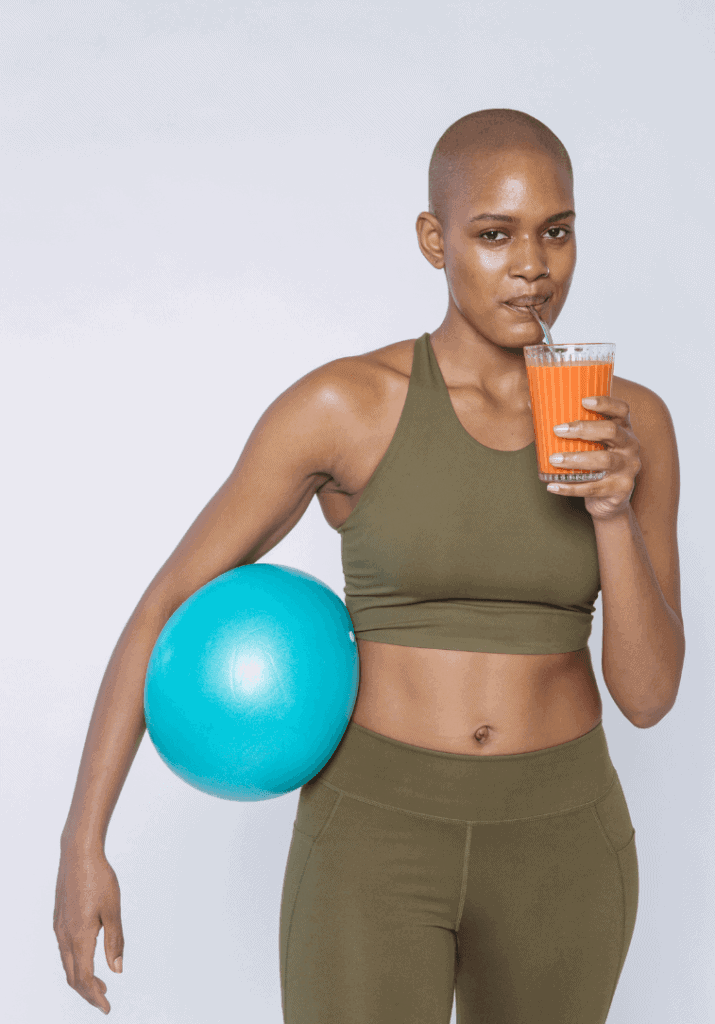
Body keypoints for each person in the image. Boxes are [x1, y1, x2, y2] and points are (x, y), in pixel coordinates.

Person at [54, 109, 685, 1023]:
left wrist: (613, 510)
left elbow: (648, 696)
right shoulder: (344, 407)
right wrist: (83, 843)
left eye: (555, 231)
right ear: (434, 240)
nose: (531, 265)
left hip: (563, 838)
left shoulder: (634, 425)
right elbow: (164, 610)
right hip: (374, 834)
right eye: (493, 234)